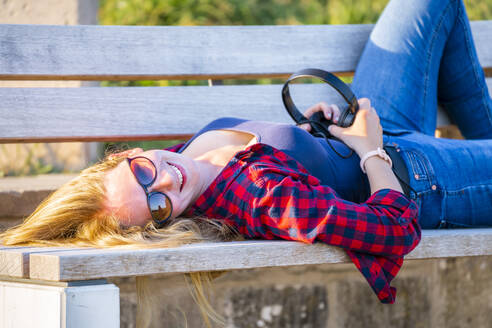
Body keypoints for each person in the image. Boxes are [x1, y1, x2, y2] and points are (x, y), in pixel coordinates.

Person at [1, 0, 491, 324]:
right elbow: (393, 230)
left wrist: (313, 136)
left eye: (145, 173)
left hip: (364, 124)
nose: (169, 181)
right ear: (162, 226)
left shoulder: (186, 156)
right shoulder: (261, 198)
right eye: (157, 207)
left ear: (126, 155)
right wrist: (370, 151)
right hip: (419, 178)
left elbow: (284, 158)